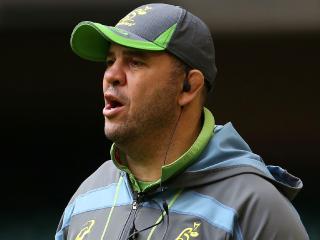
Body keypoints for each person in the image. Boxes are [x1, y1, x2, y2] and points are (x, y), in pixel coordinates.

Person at [55, 3, 309, 240]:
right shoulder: (86, 198)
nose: (111, 75)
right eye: (110, 61)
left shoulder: (255, 206)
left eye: (135, 62)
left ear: (188, 87)